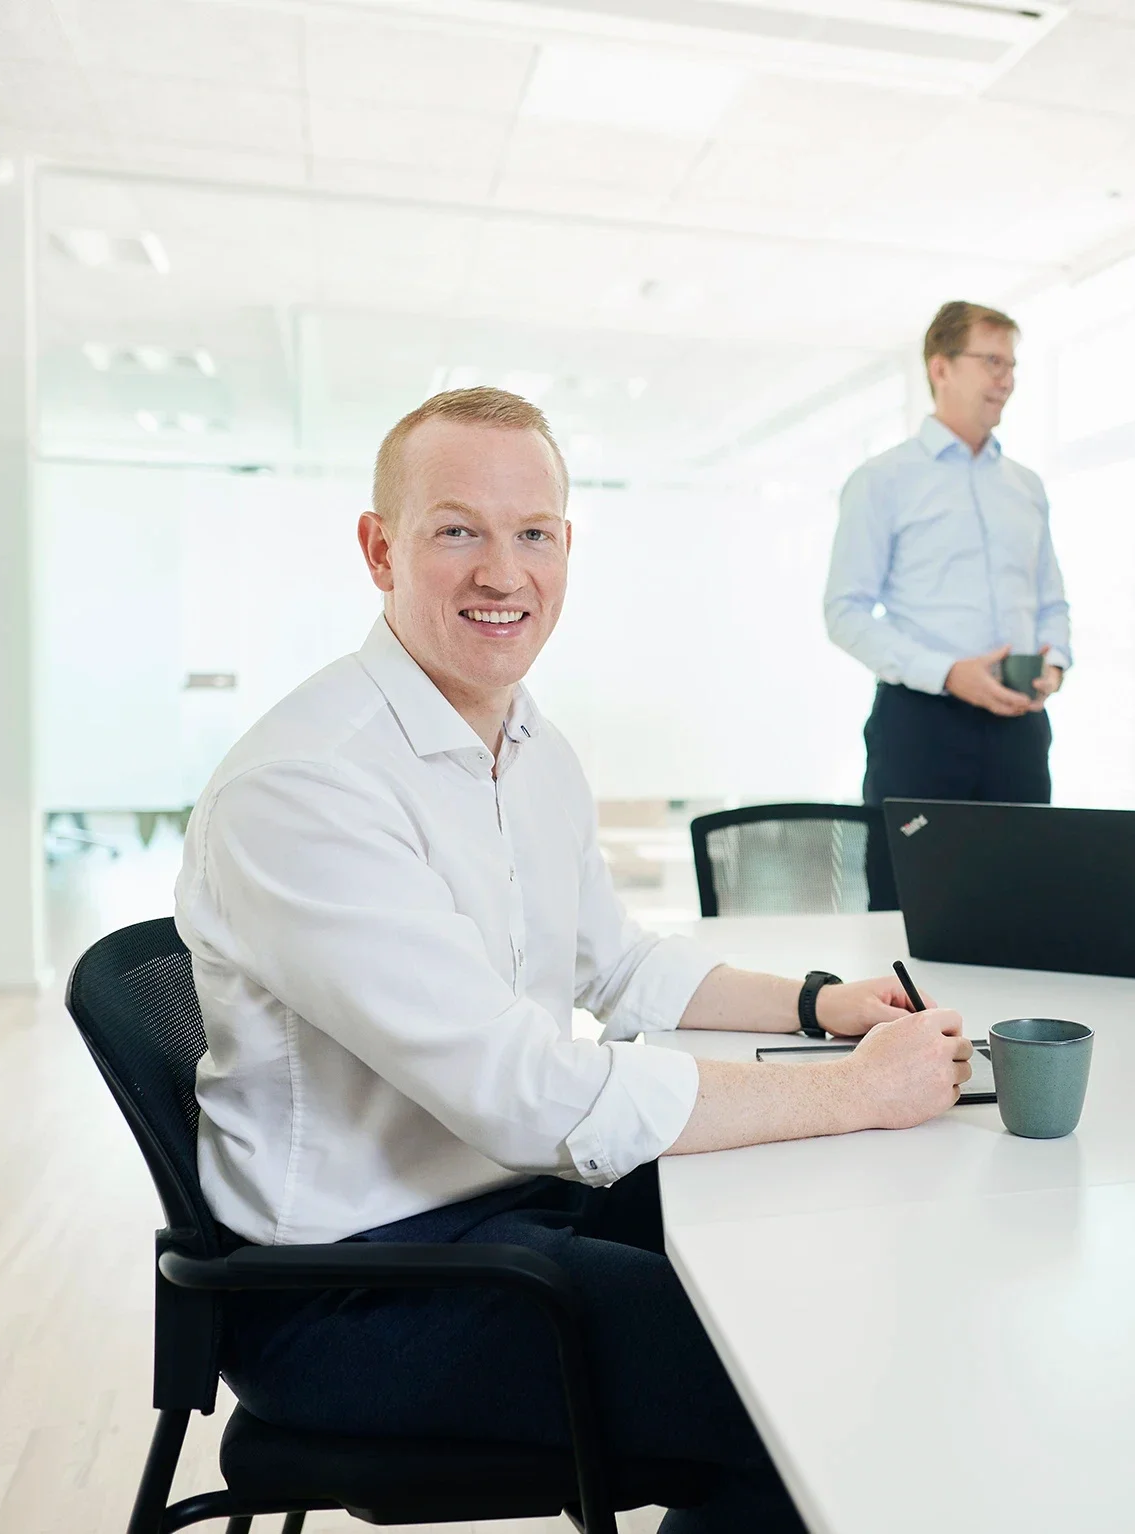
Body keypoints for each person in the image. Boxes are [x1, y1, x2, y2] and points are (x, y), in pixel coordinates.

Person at [174, 387, 975, 1534]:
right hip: (352, 1290)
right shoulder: (308, 784)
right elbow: (524, 1093)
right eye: (457, 529)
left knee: (820, 1265)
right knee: (810, 1382)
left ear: (565, 548)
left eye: (532, 533)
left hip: (506, 1217)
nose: (502, 572)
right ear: (377, 548)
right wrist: (854, 1089)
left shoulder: (525, 741)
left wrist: (820, 1003)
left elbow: (620, 970)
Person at [824, 300, 1071, 909]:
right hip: (922, 726)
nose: (1006, 379)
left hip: (1020, 727)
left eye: (1011, 365)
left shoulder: (1026, 487)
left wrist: (1056, 661)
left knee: (1021, 905)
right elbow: (845, 611)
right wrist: (948, 674)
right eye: (991, 361)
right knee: (911, 908)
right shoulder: (882, 480)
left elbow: (1052, 602)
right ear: (941, 367)